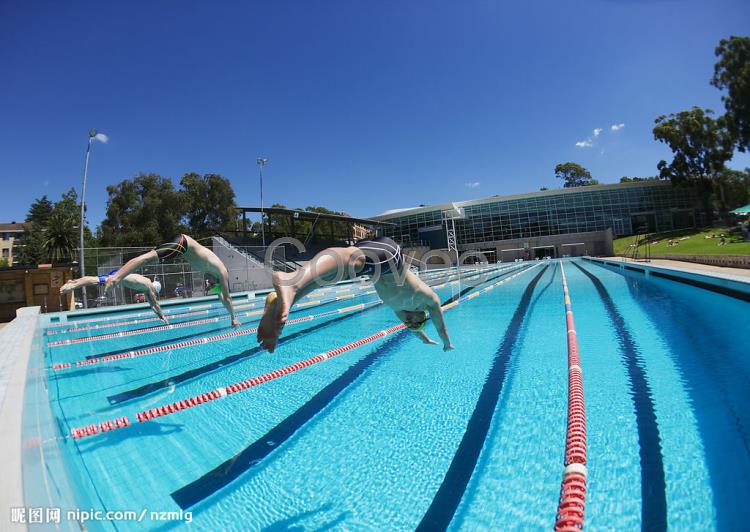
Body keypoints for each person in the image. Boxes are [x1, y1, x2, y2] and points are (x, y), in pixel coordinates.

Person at [257, 236, 454, 353]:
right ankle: (291, 282)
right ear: (422, 315)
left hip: (375, 268)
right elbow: (441, 325)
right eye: (416, 322)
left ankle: (280, 303)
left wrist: (423, 338)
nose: (410, 323)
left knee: (336, 273)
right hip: (392, 258)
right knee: (352, 259)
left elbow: (415, 329)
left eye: (410, 325)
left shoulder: (400, 312)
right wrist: (446, 343)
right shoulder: (427, 299)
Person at [105, 234, 240, 327]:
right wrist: (233, 317)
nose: (211, 286)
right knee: (147, 258)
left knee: (148, 260)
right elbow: (226, 297)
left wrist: (230, 313)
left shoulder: (214, 270)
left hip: (181, 245)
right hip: (182, 243)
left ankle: (116, 277)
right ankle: (115, 278)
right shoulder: (222, 272)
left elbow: (221, 296)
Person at [62, 271, 167, 323]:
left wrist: (159, 315)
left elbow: (152, 304)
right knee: (96, 281)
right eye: (155, 292)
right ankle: (74, 284)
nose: (154, 294)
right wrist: (162, 316)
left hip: (119, 274)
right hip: (117, 277)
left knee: (96, 280)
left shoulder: (147, 285)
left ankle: (74, 282)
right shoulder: (148, 287)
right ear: (155, 289)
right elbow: (155, 303)